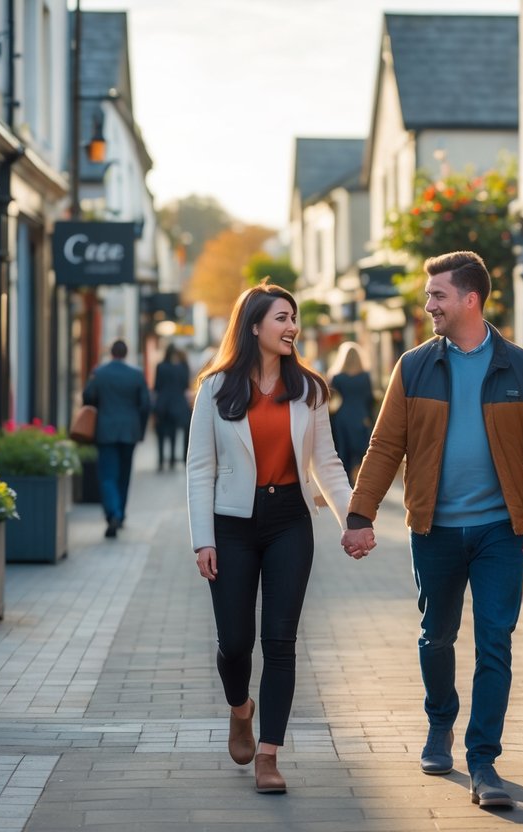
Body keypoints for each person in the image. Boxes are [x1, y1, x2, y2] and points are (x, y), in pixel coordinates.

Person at [340, 250, 523, 809]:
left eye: (437, 294)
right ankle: (440, 721)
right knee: (436, 635)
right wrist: (361, 514)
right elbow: (386, 443)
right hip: (434, 527)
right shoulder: (414, 366)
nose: (428, 303)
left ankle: (484, 760)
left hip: (500, 532)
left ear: (470, 299)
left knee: (495, 642)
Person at [186, 282, 353, 795]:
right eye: (282, 317)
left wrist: (355, 520)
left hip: (289, 521)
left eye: (293, 317)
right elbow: (199, 469)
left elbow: (326, 462)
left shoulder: (310, 389)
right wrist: (203, 539)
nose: (291, 326)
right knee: (235, 642)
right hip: (231, 524)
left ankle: (269, 755)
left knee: (280, 641)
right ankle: (242, 708)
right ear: (254, 326)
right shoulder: (215, 389)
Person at [82, 339, 150, 539]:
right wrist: (141, 430)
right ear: (126, 353)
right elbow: (145, 405)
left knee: (107, 475)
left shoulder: (99, 373)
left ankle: (113, 512)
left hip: (105, 431)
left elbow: (87, 396)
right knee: (124, 475)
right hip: (129, 432)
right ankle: (120, 513)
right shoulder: (136, 374)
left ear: (111, 353)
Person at [327, 341, 375, 483]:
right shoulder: (365, 377)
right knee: (362, 455)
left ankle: (347, 486)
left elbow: (331, 401)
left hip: (341, 420)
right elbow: (370, 399)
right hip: (361, 418)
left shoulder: (336, 377)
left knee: (344, 455)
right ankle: (361, 484)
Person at [153, 345, 192, 471]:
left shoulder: (160, 367)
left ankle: (160, 460)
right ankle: (172, 459)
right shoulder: (181, 368)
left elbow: (157, 386)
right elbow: (185, 385)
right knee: (174, 433)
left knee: (161, 433)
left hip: (162, 404)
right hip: (177, 404)